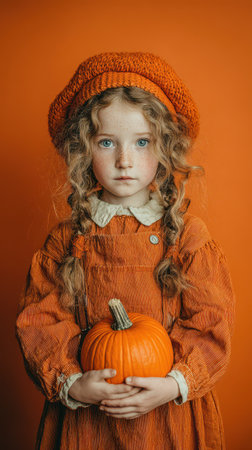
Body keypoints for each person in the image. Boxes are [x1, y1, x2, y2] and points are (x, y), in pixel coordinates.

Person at [16, 51, 235, 449]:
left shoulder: (186, 237)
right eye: (106, 142)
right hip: (90, 424)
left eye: (141, 142)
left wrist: (172, 384)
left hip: (169, 418)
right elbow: (41, 322)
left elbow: (211, 324)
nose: (124, 160)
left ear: (165, 147)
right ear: (83, 150)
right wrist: (74, 383)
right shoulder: (66, 241)